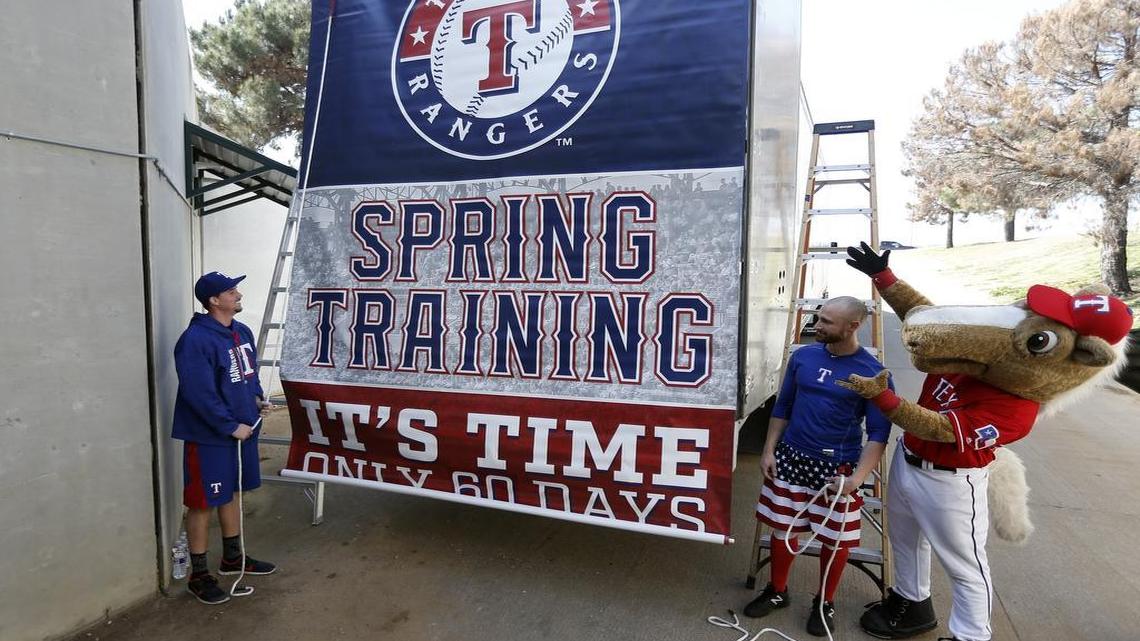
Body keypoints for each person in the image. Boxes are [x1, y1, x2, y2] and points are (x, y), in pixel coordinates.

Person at [745, 296, 893, 636]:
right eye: (820, 317)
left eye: (826, 321)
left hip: (837, 469)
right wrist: (769, 450)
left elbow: (880, 432)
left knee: (835, 539)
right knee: (783, 528)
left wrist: (857, 478)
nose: (818, 325)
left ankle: (824, 601)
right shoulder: (804, 356)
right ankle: (778, 591)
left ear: (853, 326)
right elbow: (783, 405)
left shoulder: (871, 373)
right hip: (792, 457)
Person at [173, 271, 276, 605]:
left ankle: (233, 558)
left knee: (231, 492)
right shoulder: (195, 339)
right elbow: (197, 392)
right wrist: (229, 425)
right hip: (211, 436)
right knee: (202, 501)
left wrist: (258, 398)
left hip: (241, 430)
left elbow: (249, 373)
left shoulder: (241, 331)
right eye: (231, 291)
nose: (238, 294)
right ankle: (198, 575)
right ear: (213, 300)